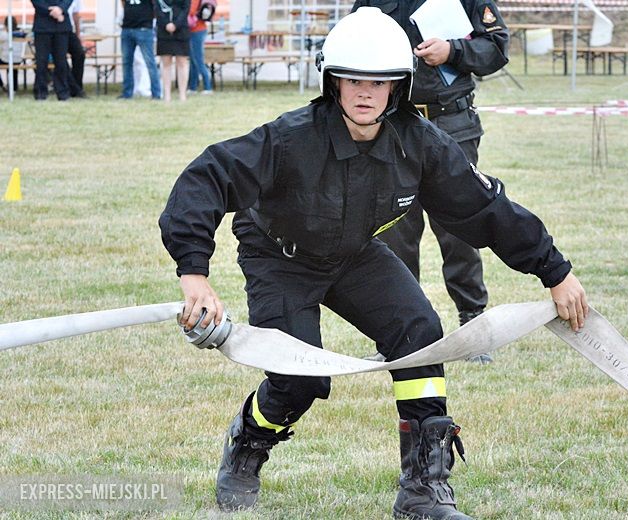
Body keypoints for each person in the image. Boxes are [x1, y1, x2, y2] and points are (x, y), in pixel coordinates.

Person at [159, 8, 587, 519]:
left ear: (399, 88)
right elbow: (206, 178)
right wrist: (194, 273)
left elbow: (485, 210)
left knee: (421, 332)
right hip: (280, 256)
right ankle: (248, 444)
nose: (365, 92)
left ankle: (424, 489)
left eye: (379, 83)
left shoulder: (420, 143)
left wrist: (554, 270)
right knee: (299, 379)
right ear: (332, 83)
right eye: (353, 80)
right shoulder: (290, 138)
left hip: (354, 254)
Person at [352, 0, 510, 364]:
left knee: (460, 229)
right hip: (392, 126)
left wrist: (453, 50)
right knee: (393, 234)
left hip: (451, 123)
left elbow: (496, 49)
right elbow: (348, 43)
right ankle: (400, 334)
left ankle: (473, 328)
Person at [31, 0, 73, 101]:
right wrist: (53, 12)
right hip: (42, 26)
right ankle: (40, 92)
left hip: (61, 26)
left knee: (61, 61)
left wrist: (60, 9)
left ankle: (63, 92)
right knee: (41, 61)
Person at [119, 0, 161, 100]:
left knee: (149, 62)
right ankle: (127, 93)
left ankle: (156, 93)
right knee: (126, 62)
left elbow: (156, 5)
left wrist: (148, 19)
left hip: (144, 28)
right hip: (127, 27)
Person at [156, 0, 190, 102]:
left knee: (182, 62)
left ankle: (182, 95)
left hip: (181, 30)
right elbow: (157, 9)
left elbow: (186, 8)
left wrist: (176, 24)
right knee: (166, 63)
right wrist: (166, 24)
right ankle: (167, 95)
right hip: (163, 30)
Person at [186, 0, 212, 95]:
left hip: (197, 30)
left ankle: (208, 86)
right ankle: (193, 87)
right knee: (193, 60)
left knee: (198, 59)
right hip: (195, 29)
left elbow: (191, 11)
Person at [66, 0, 86, 98]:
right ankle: (72, 87)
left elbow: (76, 15)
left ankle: (77, 86)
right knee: (60, 59)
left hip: (69, 30)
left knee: (80, 54)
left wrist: (78, 33)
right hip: (55, 29)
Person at [0, 17, 23, 93]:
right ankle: (14, 88)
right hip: (18, 59)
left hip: (6, 59)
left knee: (9, 64)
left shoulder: (3, 34)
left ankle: (2, 84)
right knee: (13, 69)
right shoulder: (20, 33)